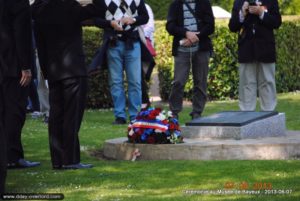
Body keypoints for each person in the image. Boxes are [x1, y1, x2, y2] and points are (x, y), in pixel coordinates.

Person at [31, 0, 102, 169]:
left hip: (54, 71)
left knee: (56, 116)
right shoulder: (69, 6)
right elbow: (99, 8)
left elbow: (40, 44)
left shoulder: (38, 9)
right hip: (73, 70)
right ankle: (70, 159)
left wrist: (47, 72)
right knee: (72, 116)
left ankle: (58, 160)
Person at [91, 0, 149, 124]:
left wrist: (133, 20)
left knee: (135, 81)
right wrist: (110, 23)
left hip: (133, 42)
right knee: (116, 81)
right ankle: (120, 116)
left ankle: (135, 116)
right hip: (113, 42)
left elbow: (145, 17)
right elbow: (96, 20)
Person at [1, 0, 40, 170]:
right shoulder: (18, 3)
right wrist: (26, 67)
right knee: (15, 111)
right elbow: (22, 34)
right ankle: (12, 155)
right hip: (13, 65)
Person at [229, 0, 281, 111]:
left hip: (266, 49)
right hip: (246, 49)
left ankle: (269, 116)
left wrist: (262, 13)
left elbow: (277, 22)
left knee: (267, 82)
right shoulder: (239, 2)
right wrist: (242, 13)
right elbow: (232, 26)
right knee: (246, 84)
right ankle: (246, 116)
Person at [166, 0, 215, 120]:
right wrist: (186, 33)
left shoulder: (204, 3)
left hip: (201, 48)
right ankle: (174, 112)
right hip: (182, 49)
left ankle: (197, 112)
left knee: (200, 81)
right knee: (178, 81)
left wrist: (196, 37)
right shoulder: (175, 4)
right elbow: (170, 26)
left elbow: (210, 26)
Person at [141, 3, 156, 108]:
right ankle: (144, 101)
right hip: (133, 45)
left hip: (143, 46)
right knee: (138, 76)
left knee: (143, 76)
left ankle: (144, 101)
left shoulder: (145, 7)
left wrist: (137, 35)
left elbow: (150, 27)